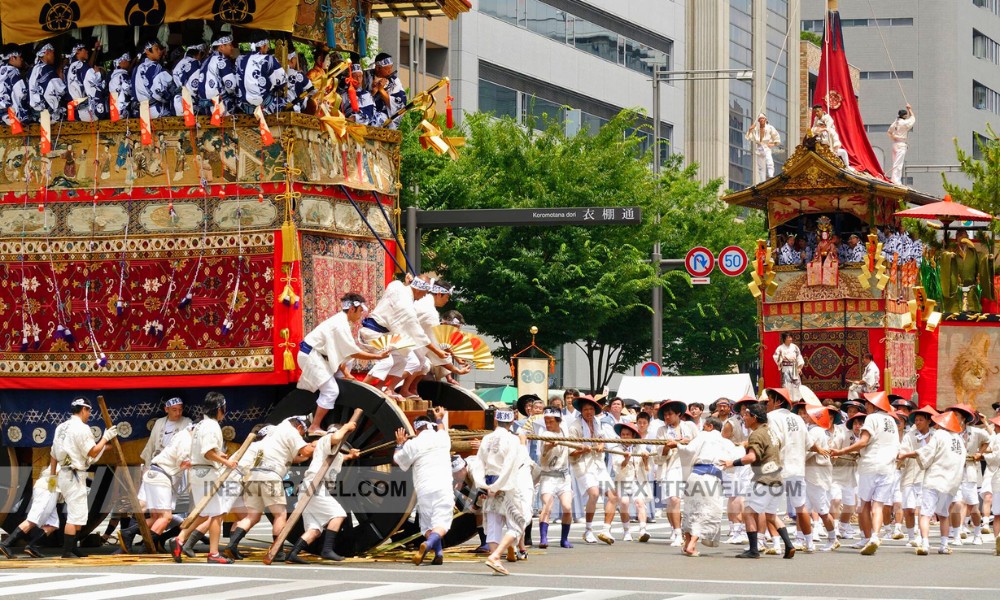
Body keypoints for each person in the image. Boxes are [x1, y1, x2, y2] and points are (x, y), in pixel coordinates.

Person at [223, 415, 315, 561]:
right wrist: (319, 444)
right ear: (299, 427)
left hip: (253, 476)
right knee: (280, 515)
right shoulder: (291, 431)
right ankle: (277, 550)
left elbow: (295, 457)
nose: (302, 436)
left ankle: (232, 545)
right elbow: (305, 452)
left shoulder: (274, 432)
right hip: (270, 476)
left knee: (252, 516)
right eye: (303, 433)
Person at [297, 293, 390, 435]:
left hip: (319, 356)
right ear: (352, 309)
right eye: (359, 312)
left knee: (347, 363)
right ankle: (314, 426)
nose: (360, 316)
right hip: (311, 356)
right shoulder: (340, 325)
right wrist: (378, 356)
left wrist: (346, 373)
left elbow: (344, 353)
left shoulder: (341, 321)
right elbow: (353, 352)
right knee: (331, 391)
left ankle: (340, 380)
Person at [167, 392, 239, 564]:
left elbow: (206, 450)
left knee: (204, 512)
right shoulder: (212, 426)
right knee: (217, 513)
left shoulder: (200, 425)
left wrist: (219, 455)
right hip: (207, 473)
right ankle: (213, 553)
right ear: (220, 409)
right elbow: (206, 452)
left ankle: (180, 538)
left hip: (198, 472)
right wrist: (225, 462)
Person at [721, 402, 795, 559]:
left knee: (748, 512)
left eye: (746, 415)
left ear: (754, 418)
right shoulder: (772, 432)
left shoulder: (756, 435)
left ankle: (753, 549)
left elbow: (752, 457)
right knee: (771, 515)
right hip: (777, 479)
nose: (744, 418)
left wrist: (731, 463)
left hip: (763, 479)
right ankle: (789, 545)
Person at [830, 391, 900, 555]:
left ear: (874, 405)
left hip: (871, 465)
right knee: (878, 505)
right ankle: (875, 536)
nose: (866, 406)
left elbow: (863, 441)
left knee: (864, 505)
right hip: (888, 467)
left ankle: (867, 537)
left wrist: (842, 451)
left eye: (867, 403)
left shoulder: (872, 418)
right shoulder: (892, 421)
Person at [51, 396, 119, 558]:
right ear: (84, 410)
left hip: (63, 474)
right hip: (74, 475)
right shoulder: (82, 428)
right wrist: (105, 437)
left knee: (80, 513)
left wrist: (52, 480)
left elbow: (53, 454)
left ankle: (72, 547)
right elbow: (92, 452)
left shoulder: (60, 427)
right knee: (75, 515)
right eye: (89, 411)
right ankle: (67, 551)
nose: (89, 414)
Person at [361, 276, 448, 398]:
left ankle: (382, 387)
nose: (424, 296)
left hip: (385, 335)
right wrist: (437, 351)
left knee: (408, 359)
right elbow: (418, 334)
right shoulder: (407, 308)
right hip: (373, 334)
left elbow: (398, 286)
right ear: (417, 290)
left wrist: (406, 282)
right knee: (387, 361)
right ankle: (363, 389)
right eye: (424, 292)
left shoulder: (397, 285)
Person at [286, 421, 360, 563]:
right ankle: (327, 550)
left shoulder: (334, 453)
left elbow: (340, 457)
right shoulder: (327, 439)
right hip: (314, 486)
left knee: (315, 529)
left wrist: (351, 455)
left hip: (310, 488)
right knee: (339, 514)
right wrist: (346, 427)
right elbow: (335, 438)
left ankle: (293, 554)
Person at [898, 410, 966, 555]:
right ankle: (944, 544)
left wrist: (905, 455)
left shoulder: (939, 435)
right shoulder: (959, 440)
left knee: (925, 514)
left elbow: (926, 452)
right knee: (943, 514)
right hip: (951, 483)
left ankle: (925, 544)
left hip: (935, 478)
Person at [672, 417, 742, 556]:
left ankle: (687, 544)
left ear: (710, 426)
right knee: (706, 512)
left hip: (694, 477)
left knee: (691, 511)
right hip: (710, 479)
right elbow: (736, 458)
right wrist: (744, 446)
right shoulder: (726, 442)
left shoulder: (702, 436)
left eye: (704, 426)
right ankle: (691, 545)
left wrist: (678, 445)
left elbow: (689, 451)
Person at [122, 421, 194, 553]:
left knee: (156, 517)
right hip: (161, 476)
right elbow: (184, 463)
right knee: (166, 517)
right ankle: (145, 549)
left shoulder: (181, 435)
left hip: (155, 473)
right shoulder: (187, 440)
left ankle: (129, 532)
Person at [394, 407, 454, 566]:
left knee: (427, 526)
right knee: (441, 523)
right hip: (443, 486)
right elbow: (441, 428)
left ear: (416, 429)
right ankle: (428, 545)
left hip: (424, 489)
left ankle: (438, 553)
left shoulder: (413, 443)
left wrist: (400, 445)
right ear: (430, 426)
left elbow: (398, 461)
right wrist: (439, 418)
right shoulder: (442, 437)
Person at [479, 408, 532, 575]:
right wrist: (497, 486)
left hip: (489, 482)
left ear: (496, 420)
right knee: (518, 522)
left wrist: (484, 485)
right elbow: (511, 465)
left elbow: (478, 463)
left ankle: (496, 561)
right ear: (512, 421)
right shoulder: (513, 439)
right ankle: (495, 556)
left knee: (494, 526)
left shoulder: (486, 438)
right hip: (506, 485)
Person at [764, 388, 814, 552]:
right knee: (801, 507)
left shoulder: (771, 417)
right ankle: (810, 543)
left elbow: (774, 441)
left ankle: (777, 544)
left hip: (778, 468)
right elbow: (808, 443)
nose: (767, 404)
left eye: (769, 400)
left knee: (770, 509)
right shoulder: (798, 419)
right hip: (797, 468)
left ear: (777, 401)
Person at [568, 395, 619, 544]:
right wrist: (582, 449)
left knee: (613, 495)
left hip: (598, 463)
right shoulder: (575, 427)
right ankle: (588, 529)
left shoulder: (597, 423)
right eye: (585, 409)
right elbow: (570, 452)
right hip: (583, 464)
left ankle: (605, 529)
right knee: (594, 493)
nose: (589, 412)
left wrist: (601, 445)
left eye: (591, 409)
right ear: (581, 411)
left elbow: (602, 439)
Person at [655, 400, 699, 547]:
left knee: (690, 501)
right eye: (665, 415)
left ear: (678, 414)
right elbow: (658, 456)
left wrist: (684, 441)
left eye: (670, 414)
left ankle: (688, 531)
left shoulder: (690, 426)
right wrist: (667, 447)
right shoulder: (661, 431)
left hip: (689, 466)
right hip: (671, 467)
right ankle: (677, 532)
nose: (667, 417)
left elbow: (699, 443)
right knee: (673, 500)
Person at [944, 404, 989, 546]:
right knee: (956, 504)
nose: (954, 418)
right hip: (953, 472)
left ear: (963, 418)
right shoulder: (949, 433)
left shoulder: (975, 432)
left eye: (956, 415)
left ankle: (977, 533)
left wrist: (979, 453)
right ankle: (956, 535)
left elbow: (988, 440)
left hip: (969, 472)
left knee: (973, 506)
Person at [0, 456, 61, 558]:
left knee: (53, 523)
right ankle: (6, 544)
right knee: (33, 520)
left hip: (52, 488)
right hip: (48, 487)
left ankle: (31, 546)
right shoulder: (66, 449)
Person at [802, 404, 840, 551]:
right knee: (803, 508)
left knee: (822, 510)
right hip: (811, 473)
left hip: (816, 475)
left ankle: (832, 538)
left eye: (808, 414)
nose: (805, 416)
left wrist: (795, 460)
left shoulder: (816, 431)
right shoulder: (815, 430)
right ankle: (807, 541)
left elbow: (808, 450)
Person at [898, 406, 937, 549]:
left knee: (922, 510)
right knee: (909, 509)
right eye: (916, 420)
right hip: (910, 474)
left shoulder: (935, 436)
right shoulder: (910, 435)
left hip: (927, 477)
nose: (918, 422)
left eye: (921, 420)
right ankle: (911, 537)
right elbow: (903, 450)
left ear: (928, 421)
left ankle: (922, 536)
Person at [536, 407, 574, 549]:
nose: (548, 424)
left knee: (567, 507)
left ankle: (564, 539)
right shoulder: (544, 433)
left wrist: (582, 448)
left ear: (558, 421)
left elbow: (571, 447)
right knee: (547, 506)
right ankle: (543, 538)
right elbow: (544, 449)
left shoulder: (564, 429)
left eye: (551, 421)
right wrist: (550, 446)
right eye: (546, 421)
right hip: (548, 476)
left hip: (564, 476)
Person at [611, 422, 651, 543]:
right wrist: (626, 459)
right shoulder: (616, 449)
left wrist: (645, 459)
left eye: (628, 434)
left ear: (633, 435)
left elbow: (646, 468)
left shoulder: (639, 447)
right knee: (624, 503)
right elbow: (617, 468)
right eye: (623, 434)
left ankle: (643, 530)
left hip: (637, 480)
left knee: (640, 502)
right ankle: (626, 531)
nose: (625, 437)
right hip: (622, 480)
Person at [722, 396, 754, 544]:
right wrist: (738, 446)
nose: (746, 411)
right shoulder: (731, 423)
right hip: (732, 461)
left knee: (745, 496)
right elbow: (722, 441)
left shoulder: (755, 423)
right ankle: (734, 528)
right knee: (734, 496)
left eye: (749, 408)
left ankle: (742, 528)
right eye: (743, 408)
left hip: (749, 461)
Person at [237, 39, 286, 114]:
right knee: (286, 102)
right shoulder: (269, 59)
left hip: (246, 108)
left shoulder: (240, 59)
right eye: (267, 45)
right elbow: (282, 81)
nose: (268, 48)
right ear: (263, 46)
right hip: (265, 106)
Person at [140, 396, 193, 467]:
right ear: (166, 409)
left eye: (180, 410)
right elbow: (151, 443)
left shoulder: (187, 422)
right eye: (174, 410)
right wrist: (147, 466)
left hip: (176, 463)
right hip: (158, 460)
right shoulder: (159, 422)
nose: (178, 413)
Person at [132, 40, 175, 119]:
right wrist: (170, 97)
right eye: (156, 49)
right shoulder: (153, 67)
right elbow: (159, 91)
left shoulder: (136, 68)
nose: (159, 52)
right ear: (147, 51)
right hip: (156, 112)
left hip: (141, 113)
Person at [199, 35, 238, 115]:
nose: (232, 48)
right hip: (220, 107)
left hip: (204, 108)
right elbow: (231, 87)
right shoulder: (222, 61)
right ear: (221, 47)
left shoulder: (205, 61)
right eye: (230, 45)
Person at [28, 43, 67, 121]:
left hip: (34, 113)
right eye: (53, 53)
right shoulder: (47, 69)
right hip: (47, 114)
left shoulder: (32, 69)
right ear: (47, 52)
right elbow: (61, 91)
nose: (54, 56)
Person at [369, 53, 408, 129]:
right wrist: (372, 91)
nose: (390, 71)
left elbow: (399, 103)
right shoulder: (366, 76)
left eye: (391, 68)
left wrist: (381, 90)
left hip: (384, 117)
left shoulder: (395, 81)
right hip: (367, 112)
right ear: (377, 68)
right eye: (387, 69)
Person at [172, 44, 205, 118]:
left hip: (178, 102)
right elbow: (195, 87)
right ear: (199, 53)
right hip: (190, 103)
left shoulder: (178, 64)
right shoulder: (195, 63)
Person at [0, 45, 30, 127]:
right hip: (11, 116)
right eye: (20, 57)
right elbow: (20, 94)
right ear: (12, 58)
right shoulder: (14, 72)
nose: (22, 59)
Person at [745, 113, 781, 181]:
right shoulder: (755, 129)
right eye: (760, 119)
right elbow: (748, 138)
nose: (761, 120)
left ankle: (771, 176)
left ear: (765, 120)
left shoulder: (770, 128)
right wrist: (750, 130)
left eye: (763, 118)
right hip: (759, 148)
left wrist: (773, 144)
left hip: (766, 147)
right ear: (758, 120)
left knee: (769, 162)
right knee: (761, 167)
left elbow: (777, 138)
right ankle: (762, 180)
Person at [887, 104, 915, 185]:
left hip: (895, 143)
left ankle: (894, 179)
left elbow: (889, 132)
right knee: (898, 163)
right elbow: (912, 119)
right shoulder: (904, 123)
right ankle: (896, 180)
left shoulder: (895, 123)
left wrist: (894, 138)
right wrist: (910, 109)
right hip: (901, 144)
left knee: (895, 162)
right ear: (905, 116)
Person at [772, 334, 804, 402]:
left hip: (794, 368)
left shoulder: (795, 347)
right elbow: (775, 356)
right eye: (788, 337)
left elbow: (799, 357)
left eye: (790, 337)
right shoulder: (780, 348)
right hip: (786, 368)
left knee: (796, 385)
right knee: (787, 385)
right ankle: (788, 400)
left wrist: (799, 367)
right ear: (784, 339)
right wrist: (782, 358)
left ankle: (797, 400)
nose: (790, 339)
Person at [109, 53, 133, 120]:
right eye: (126, 59)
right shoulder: (123, 76)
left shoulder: (113, 78)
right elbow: (130, 91)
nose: (128, 61)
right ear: (119, 62)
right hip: (123, 111)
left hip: (114, 111)